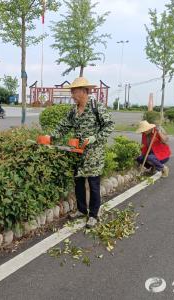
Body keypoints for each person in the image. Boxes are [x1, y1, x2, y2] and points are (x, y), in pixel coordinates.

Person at [48, 77, 114, 228]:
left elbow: (109, 125)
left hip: (94, 154)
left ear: (84, 91)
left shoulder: (97, 107)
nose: (72, 95)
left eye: (74, 91)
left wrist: (95, 137)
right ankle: (82, 210)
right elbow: (63, 126)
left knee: (93, 184)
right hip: (78, 152)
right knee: (78, 183)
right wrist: (50, 137)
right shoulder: (74, 110)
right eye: (71, 91)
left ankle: (94, 215)